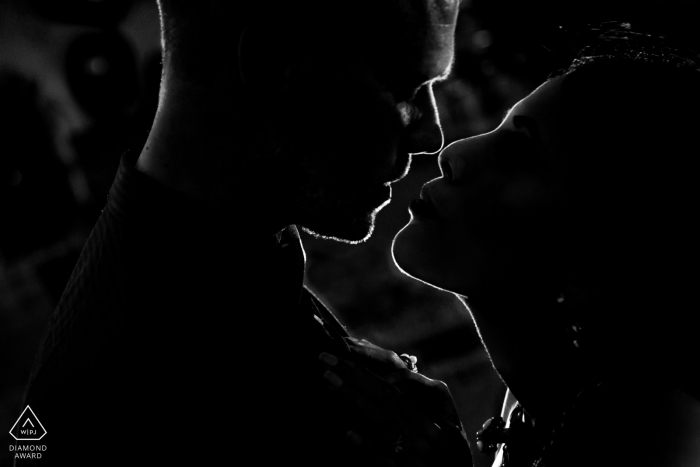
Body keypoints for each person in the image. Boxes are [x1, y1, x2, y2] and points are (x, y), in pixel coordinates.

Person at [16, 1, 462, 466]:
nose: (431, 135)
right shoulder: (114, 395)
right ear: (273, 65)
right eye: (402, 90)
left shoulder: (236, 260)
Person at [320, 24, 700, 467]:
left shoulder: (654, 436)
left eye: (519, 155)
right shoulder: (544, 406)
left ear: (608, 254)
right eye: (497, 129)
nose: (453, 151)